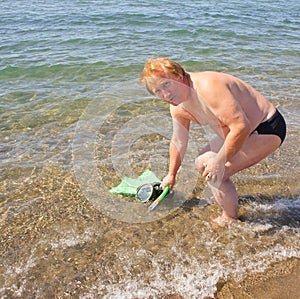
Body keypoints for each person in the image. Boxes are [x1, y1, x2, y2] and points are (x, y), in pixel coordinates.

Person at [139, 57, 286, 226]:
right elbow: (179, 141)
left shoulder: (208, 87)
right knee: (201, 162)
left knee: (215, 174)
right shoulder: (177, 105)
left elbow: (241, 127)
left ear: (178, 75)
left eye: (166, 84)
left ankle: (230, 220)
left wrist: (219, 161)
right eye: (158, 91)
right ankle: (230, 202)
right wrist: (171, 175)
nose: (165, 95)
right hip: (239, 132)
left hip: (265, 128)